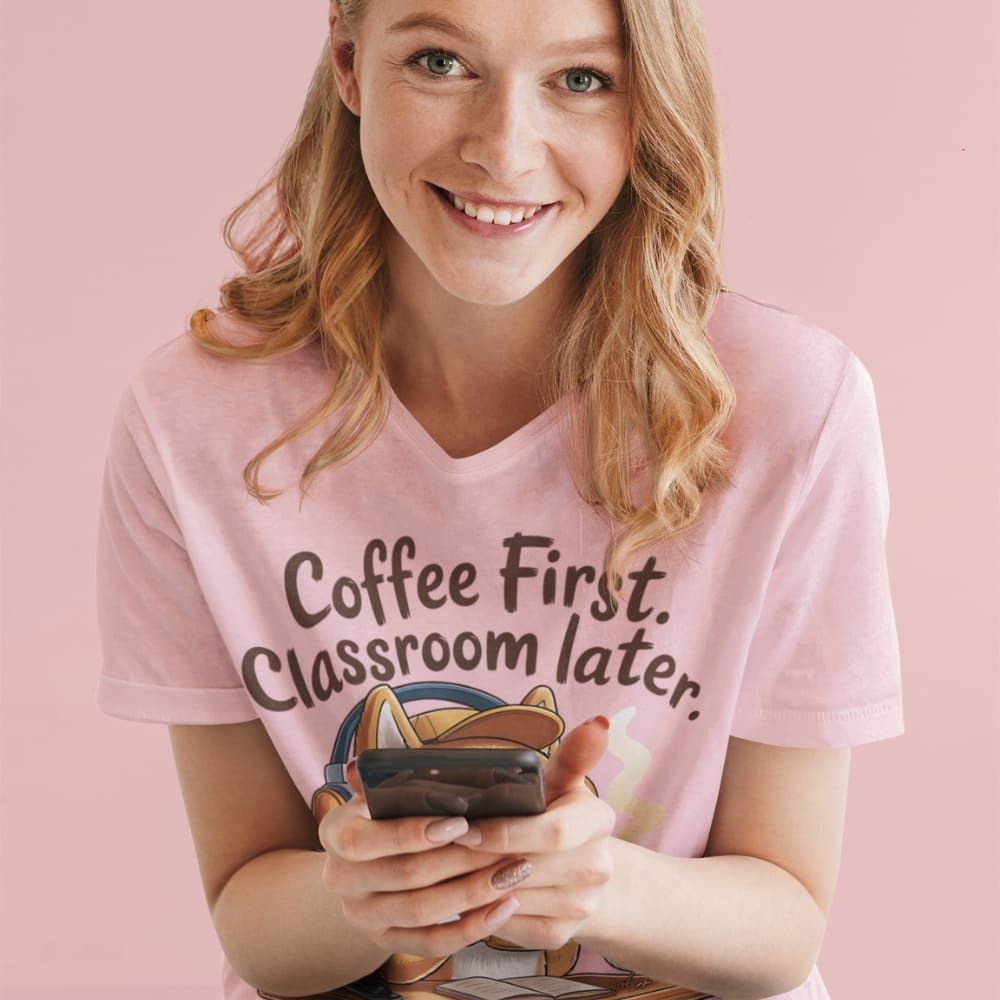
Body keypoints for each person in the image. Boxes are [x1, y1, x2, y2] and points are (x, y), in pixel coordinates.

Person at [95, 2, 904, 999]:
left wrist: (599, 888)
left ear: (649, 99)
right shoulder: (192, 422)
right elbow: (255, 921)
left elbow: (786, 917)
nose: (503, 150)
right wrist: (358, 894)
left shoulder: (790, 407)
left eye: (580, 79)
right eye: (440, 62)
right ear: (350, 65)